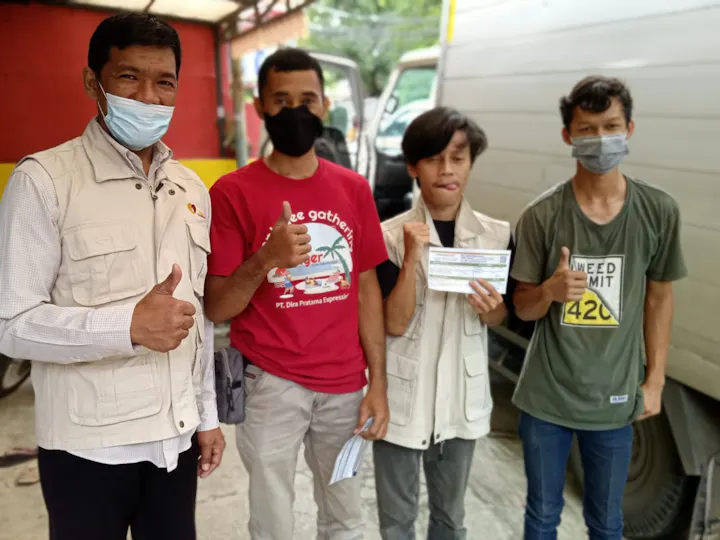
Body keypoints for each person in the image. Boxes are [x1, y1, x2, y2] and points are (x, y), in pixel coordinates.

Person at [0, 14, 224, 540]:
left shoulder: (190, 188)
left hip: (175, 442)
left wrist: (207, 416)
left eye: (164, 82)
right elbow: (12, 323)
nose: (148, 97)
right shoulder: (44, 180)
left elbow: (198, 319)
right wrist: (127, 327)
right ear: (92, 82)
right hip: (87, 450)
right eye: (128, 77)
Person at [204, 47, 390, 540]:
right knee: (274, 523)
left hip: (345, 385)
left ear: (325, 105)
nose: (296, 112)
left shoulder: (353, 189)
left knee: (345, 517)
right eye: (281, 100)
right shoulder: (232, 193)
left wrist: (378, 383)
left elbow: (366, 289)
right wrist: (265, 259)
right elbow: (217, 306)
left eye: (307, 100)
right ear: (260, 106)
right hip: (269, 383)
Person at [511, 76, 687, 539]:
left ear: (629, 129)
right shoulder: (541, 216)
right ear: (568, 136)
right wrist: (549, 292)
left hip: (614, 399)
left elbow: (660, 298)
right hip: (547, 398)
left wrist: (655, 381)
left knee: (607, 523)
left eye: (610, 126)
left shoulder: (658, 211)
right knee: (541, 517)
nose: (600, 139)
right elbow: (522, 309)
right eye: (586, 129)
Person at [374, 107, 513, 540]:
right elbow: (394, 323)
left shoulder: (496, 236)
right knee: (396, 522)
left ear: (471, 162)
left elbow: (498, 317)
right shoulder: (389, 236)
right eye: (434, 159)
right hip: (402, 399)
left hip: (461, 398)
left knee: (451, 518)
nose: (447, 170)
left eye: (458, 157)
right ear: (413, 167)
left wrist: (490, 307)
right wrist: (412, 258)